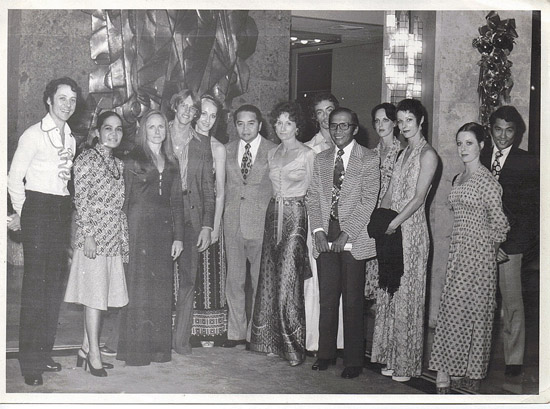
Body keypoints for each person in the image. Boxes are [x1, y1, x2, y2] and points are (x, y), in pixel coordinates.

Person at [8, 77, 81, 386]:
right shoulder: (33, 135)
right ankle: (29, 363)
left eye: (72, 100)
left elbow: (65, 183)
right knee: (36, 288)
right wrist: (25, 215)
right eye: (62, 98)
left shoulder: (72, 139)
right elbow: (13, 179)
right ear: (49, 100)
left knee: (53, 286)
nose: (67, 104)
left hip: (60, 209)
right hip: (37, 208)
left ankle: (44, 352)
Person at [428, 122, 510, 393]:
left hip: (479, 258)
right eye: (460, 143)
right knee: (453, 313)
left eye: (469, 143)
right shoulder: (459, 178)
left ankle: (470, 374)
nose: (463, 148)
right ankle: (448, 369)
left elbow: (499, 223)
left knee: (477, 317)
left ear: (482, 146)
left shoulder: (487, 181)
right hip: (457, 254)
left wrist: (488, 250)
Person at [306, 107, 380, 379]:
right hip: (325, 233)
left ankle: (353, 361)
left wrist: (345, 234)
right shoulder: (322, 159)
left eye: (344, 126)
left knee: (351, 300)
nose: (338, 131)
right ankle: (325, 354)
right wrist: (318, 231)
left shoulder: (369, 159)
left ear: (355, 129)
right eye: (334, 126)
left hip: (354, 236)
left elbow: (368, 200)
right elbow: (313, 196)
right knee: (327, 298)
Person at [370, 98, 438, 382]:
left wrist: (395, 223)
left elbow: (419, 198)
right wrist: (381, 218)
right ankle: (389, 356)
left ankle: (407, 364)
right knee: (390, 292)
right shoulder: (402, 153)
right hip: (393, 231)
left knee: (408, 297)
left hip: (411, 233)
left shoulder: (428, 154)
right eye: (400, 121)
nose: (404, 126)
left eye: (409, 120)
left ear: (420, 121)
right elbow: (389, 191)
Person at [249, 101, 315, 366]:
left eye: (288, 122)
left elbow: (313, 192)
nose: (283, 127)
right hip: (272, 215)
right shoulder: (272, 153)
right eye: (278, 122)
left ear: (298, 126)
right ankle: (272, 341)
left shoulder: (308, 154)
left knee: (288, 279)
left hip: (296, 216)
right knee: (270, 277)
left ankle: (293, 346)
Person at [116, 109, 184, 366]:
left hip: (163, 231)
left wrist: (178, 237)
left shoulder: (173, 161)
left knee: (160, 290)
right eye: (152, 127)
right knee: (138, 288)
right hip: (138, 230)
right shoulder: (133, 159)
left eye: (161, 127)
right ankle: (136, 352)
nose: (157, 131)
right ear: (144, 130)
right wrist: (123, 236)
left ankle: (158, 350)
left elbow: (176, 201)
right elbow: (125, 200)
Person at [64, 111, 129, 376]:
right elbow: (81, 199)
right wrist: (89, 234)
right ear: (97, 132)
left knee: (100, 295)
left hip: (112, 236)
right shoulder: (86, 159)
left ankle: (84, 347)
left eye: (118, 129)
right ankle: (93, 354)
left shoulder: (118, 164)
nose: (113, 134)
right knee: (93, 297)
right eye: (108, 129)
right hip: (93, 237)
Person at [480, 106, 539, 377]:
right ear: (490, 130)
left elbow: (531, 213)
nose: (503, 136)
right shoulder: (479, 156)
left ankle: (513, 360)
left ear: (517, 132)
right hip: (480, 244)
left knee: (512, 304)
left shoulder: (528, 162)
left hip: (510, 247)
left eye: (509, 130)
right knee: (480, 301)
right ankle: (478, 355)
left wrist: (505, 245)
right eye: (498, 129)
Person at [223, 104, 276, 348]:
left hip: (260, 223)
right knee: (234, 281)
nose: (245, 128)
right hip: (232, 222)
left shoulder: (273, 151)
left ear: (260, 124)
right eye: (240, 124)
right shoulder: (226, 150)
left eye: (251, 123)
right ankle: (235, 333)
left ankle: (256, 333)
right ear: (235, 126)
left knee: (258, 281)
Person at [170, 90, 216, 355]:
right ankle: (157, 337)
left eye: (192, 108)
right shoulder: (159, 132)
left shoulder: (201, 143)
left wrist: (207, 225)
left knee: (188, 280)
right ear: (175, 106)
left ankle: (181, 340)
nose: (188, 112)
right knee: (161, 278)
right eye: (183, 106)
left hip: (192, 215)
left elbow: (208, 189)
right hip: (163, 213)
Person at [303, 93, 344, 356]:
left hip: (343, 222)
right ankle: (314, 340)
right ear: (314, 117)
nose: (326, 115)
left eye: (330, 109)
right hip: (317, 221)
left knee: (341, 280)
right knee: (316, 279)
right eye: (320, 111)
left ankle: (339, 341)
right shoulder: (309, 149)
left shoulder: (350, 146)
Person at [189, 94, 228, 347]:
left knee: (209, 273)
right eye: (203, 113)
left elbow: (221, 190)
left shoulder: (218, 148)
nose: (207, 120)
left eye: (213, 116)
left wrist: (214, 226)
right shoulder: (181, 140)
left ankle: (208, 331)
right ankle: (183, 328)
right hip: (186, 215)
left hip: (209, 216)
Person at [364, 103, 403, 301]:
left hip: (391, 214)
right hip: (371, 214)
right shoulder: (370, 153)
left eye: (385, 120)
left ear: (395, 123)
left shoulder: (403, 153)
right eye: (377, 121)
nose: (380, 125)